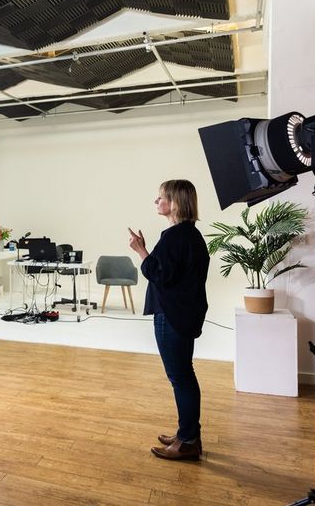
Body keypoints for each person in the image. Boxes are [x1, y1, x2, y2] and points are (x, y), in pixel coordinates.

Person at [128, 179, 209, 461]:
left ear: (174, 202)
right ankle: (187, 434)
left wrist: (140, 251)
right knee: (184, 376)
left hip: (172, 316)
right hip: (182, 314)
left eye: (161, 197)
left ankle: (187, 441)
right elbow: (170, 272)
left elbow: (159, 274)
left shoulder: (176, 236)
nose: (156, 201)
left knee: (181, 378)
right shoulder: (188, 235)